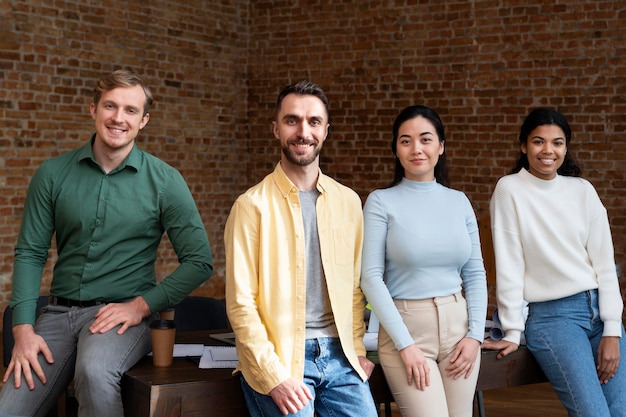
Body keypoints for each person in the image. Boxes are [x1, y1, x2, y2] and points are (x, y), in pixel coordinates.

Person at [0, 69, 213, 417]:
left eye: (130, 110)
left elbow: (199, 260)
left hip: (121, 317)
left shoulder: (165, 181)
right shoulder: (52, 174)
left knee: (95, 372)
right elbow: (30, 252)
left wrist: (142, 306)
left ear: (144, 120)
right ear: (93, 110)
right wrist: (23, 329)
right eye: (110, 106)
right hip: (56, 316)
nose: (118, 118)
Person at [224, 81, 378, 417]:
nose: (302, 131)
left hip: (340, 356)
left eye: (313, 122)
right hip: (281, 358)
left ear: (325, 131)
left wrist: (355, 350)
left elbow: (354, 289)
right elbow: (241, 304)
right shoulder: (251, 206)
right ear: (276, 129)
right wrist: (273, 375)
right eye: (292, 120)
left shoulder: (348, 202)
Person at [482, 108, 626, 416]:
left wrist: (612, 328)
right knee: (594, 413)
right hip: (553, 320)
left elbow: (604, 264)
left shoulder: (582, 190)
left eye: (557, 143)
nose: (548, 150)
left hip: (600, 312)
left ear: (566, 147)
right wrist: (511, 329)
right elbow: (509, 265)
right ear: (524, 146)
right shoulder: (509, 190)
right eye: (538, 141)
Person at [360, 105, 488, 417]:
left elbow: (475, 274)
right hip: (407, 329)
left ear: (441, 146)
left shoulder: (459, 202)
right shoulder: (380, 202)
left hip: (459, 331)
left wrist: (475, 336)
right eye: (405, 141)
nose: (416, 148)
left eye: (425, 139)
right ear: (396, 149)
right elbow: (371, 278)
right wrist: (405, 345)